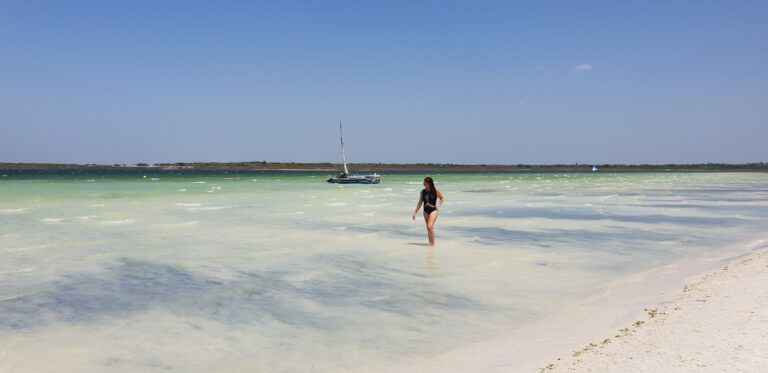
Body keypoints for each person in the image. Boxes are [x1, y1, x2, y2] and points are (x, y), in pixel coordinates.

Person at [412, 176, 445, 246]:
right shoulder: (422, 192)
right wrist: (415, 213)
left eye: (425, 183)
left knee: (430, 226)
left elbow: (442, 198)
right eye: (423, 183)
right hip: (425, 211)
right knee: (428, 228)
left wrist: (438, 205)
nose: (424, 184)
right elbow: (420, 202)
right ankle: (430, 243)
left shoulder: (435, 191)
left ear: (429, 183)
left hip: (433, 210)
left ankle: (432, 244)